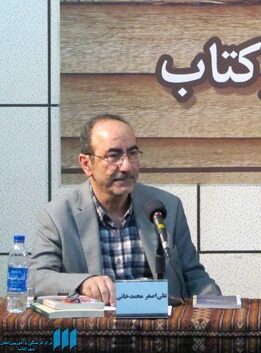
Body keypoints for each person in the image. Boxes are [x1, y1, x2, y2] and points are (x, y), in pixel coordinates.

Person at [30, 114, 220, 305]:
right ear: (86, 164)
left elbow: (193, 275)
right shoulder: (58, 215)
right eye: (113, 156)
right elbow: (36, 278)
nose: (127, 166)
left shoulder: (166, 207)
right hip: (94, 322)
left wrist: (220, 307)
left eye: (132, 153)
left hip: (161, 320)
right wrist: (83, 283)